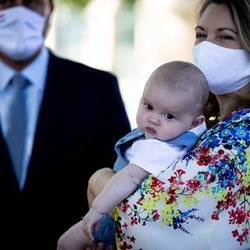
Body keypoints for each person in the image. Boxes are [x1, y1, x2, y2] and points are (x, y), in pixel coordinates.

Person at [57, 0, 250, 249]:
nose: (207, 46)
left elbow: (155, 216)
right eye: (201, 34)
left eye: (225, 36)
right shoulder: (207, 127)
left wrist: (100, 180)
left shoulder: (241, 135)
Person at [0, 0, 131, 249]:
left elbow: (118, 175)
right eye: (6, 2)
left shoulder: (97, 89)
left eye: (31, 2)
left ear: (50, 10)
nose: (19, 12)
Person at [57, 60, 209, 249]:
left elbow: (130, 177)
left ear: (195, 123)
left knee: (65, 244)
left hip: (112, 214)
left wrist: (97, 209)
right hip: (113, 210)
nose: (154, 119)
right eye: (149, 106)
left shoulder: (160, 148)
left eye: (169, 116)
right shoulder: (167, 134)